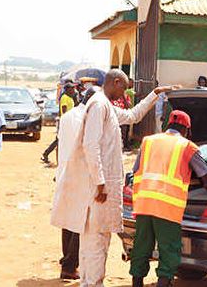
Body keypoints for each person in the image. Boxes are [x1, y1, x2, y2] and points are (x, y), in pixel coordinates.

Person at [51, 69, 175, 287]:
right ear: (116, 82)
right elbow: (91, 146)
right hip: (100, 188)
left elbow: (132, 116)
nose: (124, 94)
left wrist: (154, 94)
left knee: (93, 242)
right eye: (123, 88)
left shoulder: (106, 105)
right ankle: (93, 283)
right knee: (97, 242)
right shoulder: (99, 105)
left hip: (102, 187)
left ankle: (89, 283)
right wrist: (100, 183)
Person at [130, 110, 207, 287]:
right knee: (168, 249)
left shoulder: (148, 141)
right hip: (167, 207)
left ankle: (137, 283)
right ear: (187, 129)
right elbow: (206, 178)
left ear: (168, 124)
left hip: (144, 204)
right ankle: (163, 283)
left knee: (141, 247)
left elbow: (136, 170)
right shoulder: (187, 146)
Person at [50, 86, 101, 280]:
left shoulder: (67, 116)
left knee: (67, 220)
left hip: (64, 172)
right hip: (80, 175)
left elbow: (59, 143)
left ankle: (67, 261)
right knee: (80, 223)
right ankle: (70, 265)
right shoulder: (87, 119)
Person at [42, 83, 77, 163]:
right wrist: (67, 122)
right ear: (67, 89)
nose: (73, 90)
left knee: (59, 139)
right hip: (66, 122)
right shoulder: (64, 98)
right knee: (59, 140)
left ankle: (46, 154)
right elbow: (64, 110)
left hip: (69, 122)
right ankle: (46, 154)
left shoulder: (70, 98)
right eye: (72, 88)